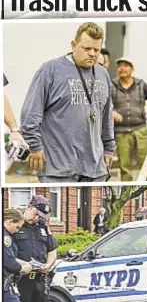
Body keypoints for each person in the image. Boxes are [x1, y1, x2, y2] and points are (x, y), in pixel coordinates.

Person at [20, 22, 115, 183]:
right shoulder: (50, 70)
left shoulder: (103, 74)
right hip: (58, 168)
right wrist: (35, 146)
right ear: (74, 45)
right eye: (86, 48)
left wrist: (109, 148)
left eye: (96, 50)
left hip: (94, 167)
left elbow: (106, 116)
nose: (92, 54)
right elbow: (30, 115)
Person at [13, 195, 63, 302]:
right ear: (29, 207)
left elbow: (52, 249)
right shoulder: (14, 225)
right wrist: (23, 264)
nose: (37, 218)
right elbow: (7, 254)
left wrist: (48, 265)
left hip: (39, 280)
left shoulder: (42, 227)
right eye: (36, 213)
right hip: (21, 280)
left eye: (40, 216)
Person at [111, 57, 147, 181]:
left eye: (126, 66)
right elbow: (103, 105)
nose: (122, 68)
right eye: (120, 66)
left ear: (132, 69)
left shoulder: (141, 85)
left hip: (140, 129)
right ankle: (126, 192)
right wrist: (111, 113)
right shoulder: (111, 85)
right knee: (124, 166)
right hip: (121, 132)